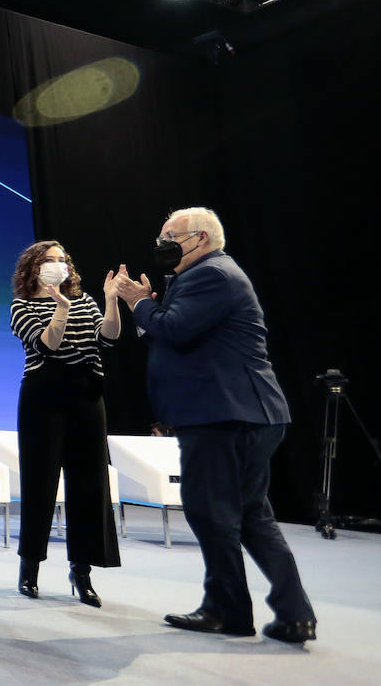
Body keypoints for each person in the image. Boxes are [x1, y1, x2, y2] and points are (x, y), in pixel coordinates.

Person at [114, 207, 316, 643]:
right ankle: (294, 614)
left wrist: (139, 303)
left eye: (170, 236)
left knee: (212, 513)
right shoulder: (204, 276)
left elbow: (173, 330)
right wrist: (152, 305)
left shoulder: (213, 275)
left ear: (201, 238)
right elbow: (172, 332)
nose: (161, 245)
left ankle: (228, 611)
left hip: (225, 415)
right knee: (250, 515)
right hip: (243, 413)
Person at [8, 240, 121, 606]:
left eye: (62, 260)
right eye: (49, 260)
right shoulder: (21, 305)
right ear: (33, 268)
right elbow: (47, 346)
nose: (58, 265)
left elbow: (109, 337)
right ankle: (30, 569)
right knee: (40, 482)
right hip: (44, 396)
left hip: (87, 394)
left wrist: (111, 301)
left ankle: (82, 571)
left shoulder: (85, 300)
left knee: (89, 483)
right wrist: (60, 309)